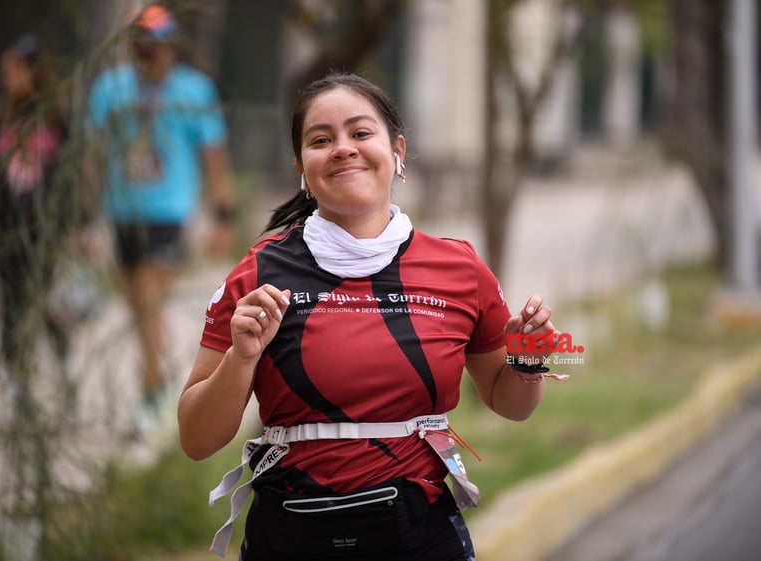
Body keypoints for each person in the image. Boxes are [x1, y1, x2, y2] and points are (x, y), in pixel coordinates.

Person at [178, 72, 565, 561]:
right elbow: (196, 439)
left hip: (420, 538)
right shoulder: (257, 273)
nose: (343, 148)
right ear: (302, 166)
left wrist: (529, 357)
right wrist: (241, 356)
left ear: (397, 150)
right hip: (291, 536)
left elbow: (509, 402)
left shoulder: (460, 269)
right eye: (321, 140)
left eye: (361, 133)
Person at [87, 5, 235, 434]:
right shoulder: (110, 90)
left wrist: (222, 214)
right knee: (137, 305)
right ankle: (154, 379)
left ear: (171, 47)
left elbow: (214, 156)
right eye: (141, 48)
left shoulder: (195, 91)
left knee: (151, 301)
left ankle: (150, 395)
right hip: (123, 211)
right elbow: (92, 158)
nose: (149, 56)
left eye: (156, 48)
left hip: (169, 212)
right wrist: (82, 219)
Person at [0, 34, 71, 402]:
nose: (5, 77)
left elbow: (68, 177)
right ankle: (14, 375)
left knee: (44, 301)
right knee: (10, 302)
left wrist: (72, 226)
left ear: (32, 73)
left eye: (12, 69)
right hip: (5, 229)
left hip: (43, 230)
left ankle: (62, 366)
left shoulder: (56, 119)